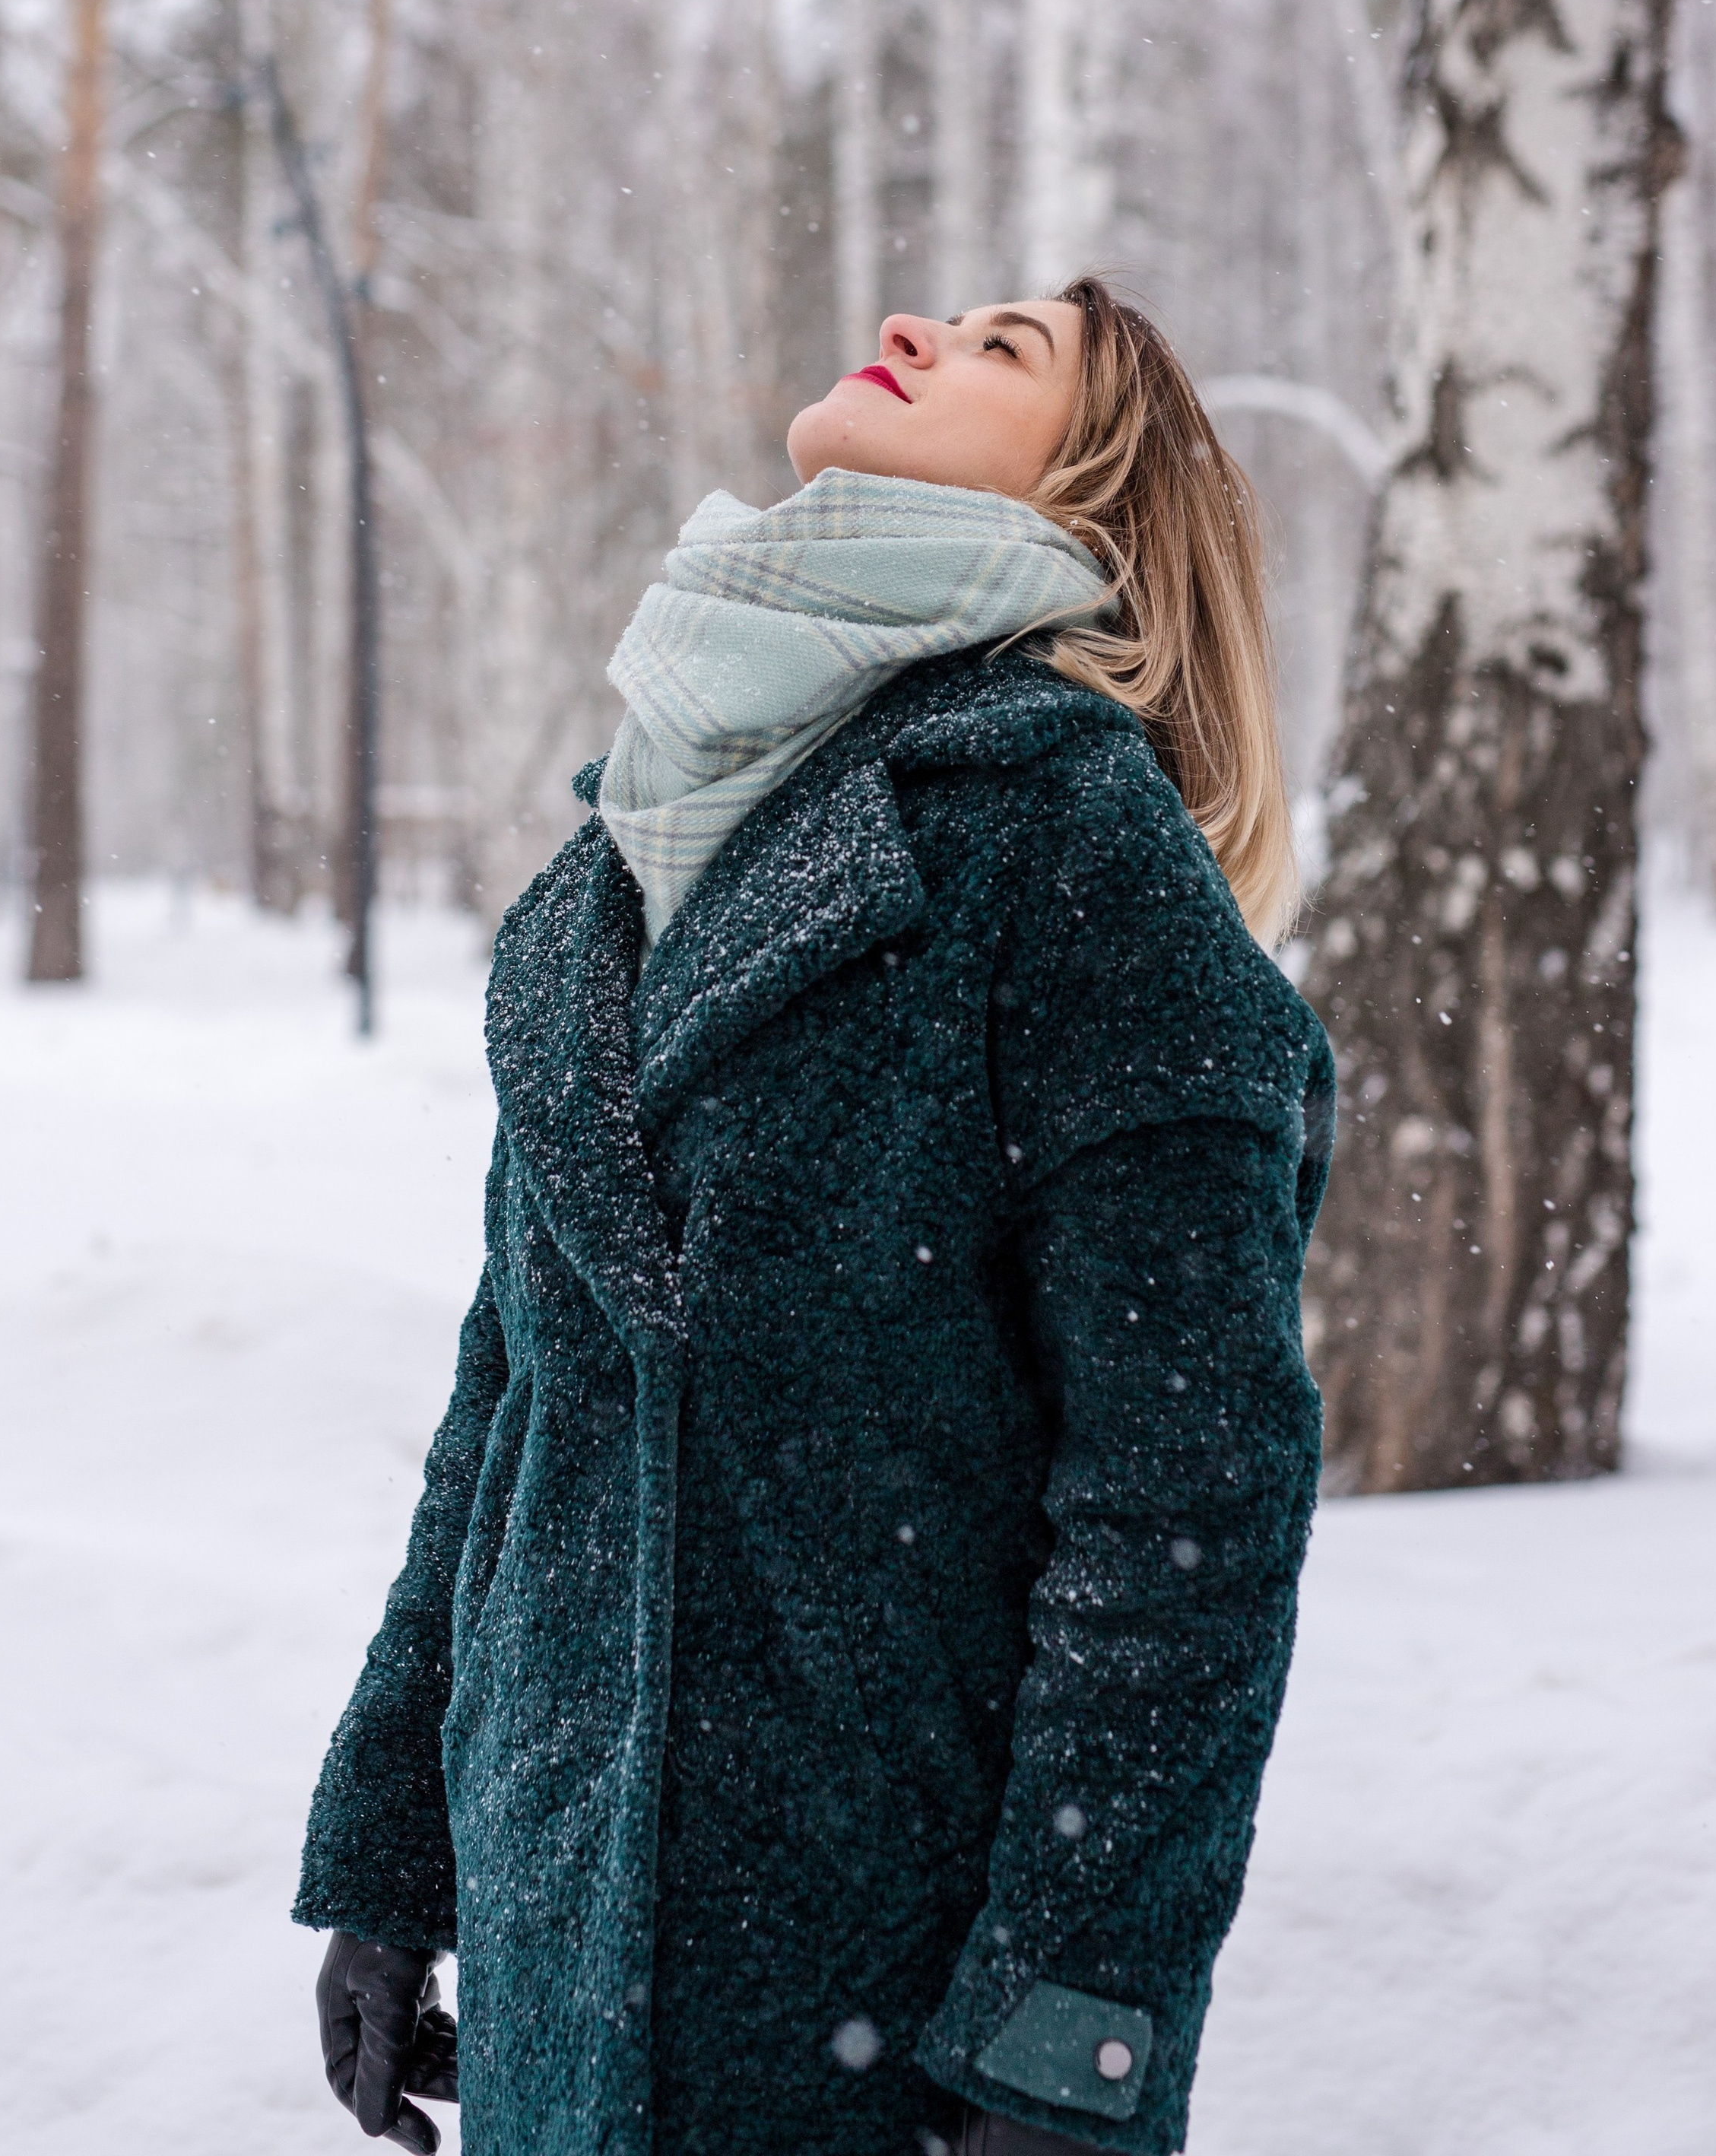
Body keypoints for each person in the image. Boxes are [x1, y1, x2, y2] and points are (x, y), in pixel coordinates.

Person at [297, 276, 1335, 2156]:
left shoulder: (1081, 861)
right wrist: (393, 1864)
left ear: (1093, 502)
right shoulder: (618, 859)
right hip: (558, 1949)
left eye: (1003, 349)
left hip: (875, 1999)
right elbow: (509, 1408)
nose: (914, 327)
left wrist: (1063, 2033)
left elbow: (1186, 1513)